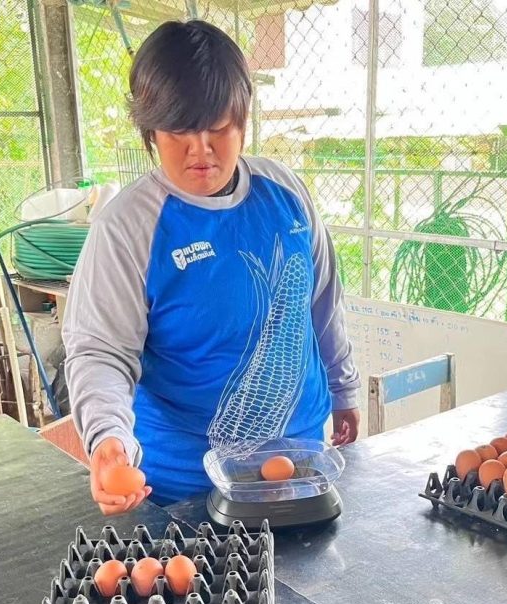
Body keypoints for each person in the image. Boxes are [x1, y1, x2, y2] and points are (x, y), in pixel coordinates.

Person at [63, 20, 360, 515]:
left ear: (242, 121)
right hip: (188, 490)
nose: (200, 148)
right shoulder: (128, 227)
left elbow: (323, 301)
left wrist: (343, 385)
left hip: (300, 470)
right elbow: (100, 352)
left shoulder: (284, 192)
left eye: (219, 128)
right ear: (150, 130)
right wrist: (109, 438)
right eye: (179, 129)